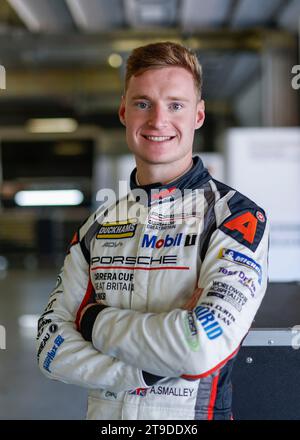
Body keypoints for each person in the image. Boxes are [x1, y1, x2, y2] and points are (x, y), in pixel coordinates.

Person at [37, 41, 269, 420]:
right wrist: (146, 369)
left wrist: (92, 320)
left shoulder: (234, 218)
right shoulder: (97, 227)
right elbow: (51, 350)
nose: (158, 120)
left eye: (175, 105)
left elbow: (199, 350)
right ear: (124, 112)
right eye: (143, 103)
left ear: (198, 115)